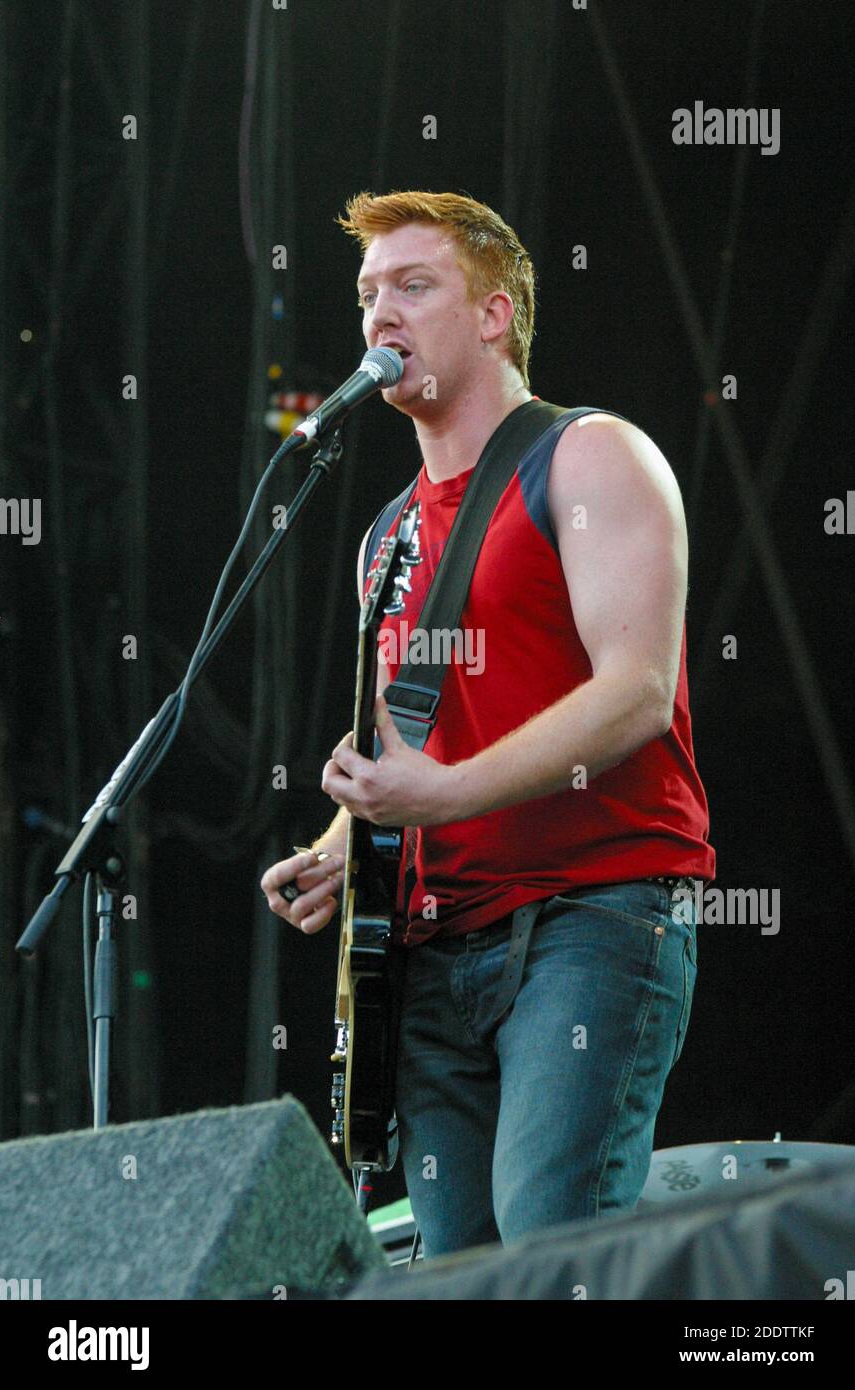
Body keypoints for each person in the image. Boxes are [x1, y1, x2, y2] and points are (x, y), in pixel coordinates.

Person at [261, 190, 714, 1259]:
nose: (381, 314)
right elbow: (412, 747)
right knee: (451, 1267)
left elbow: (637, 690)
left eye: (414, 287)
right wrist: (338, 846)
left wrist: (446, 795)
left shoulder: (592, 455)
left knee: (550, 1243)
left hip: (586, 919)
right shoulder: (386, 539)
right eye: (368, 293)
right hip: (427, 952)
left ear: (494, 315)